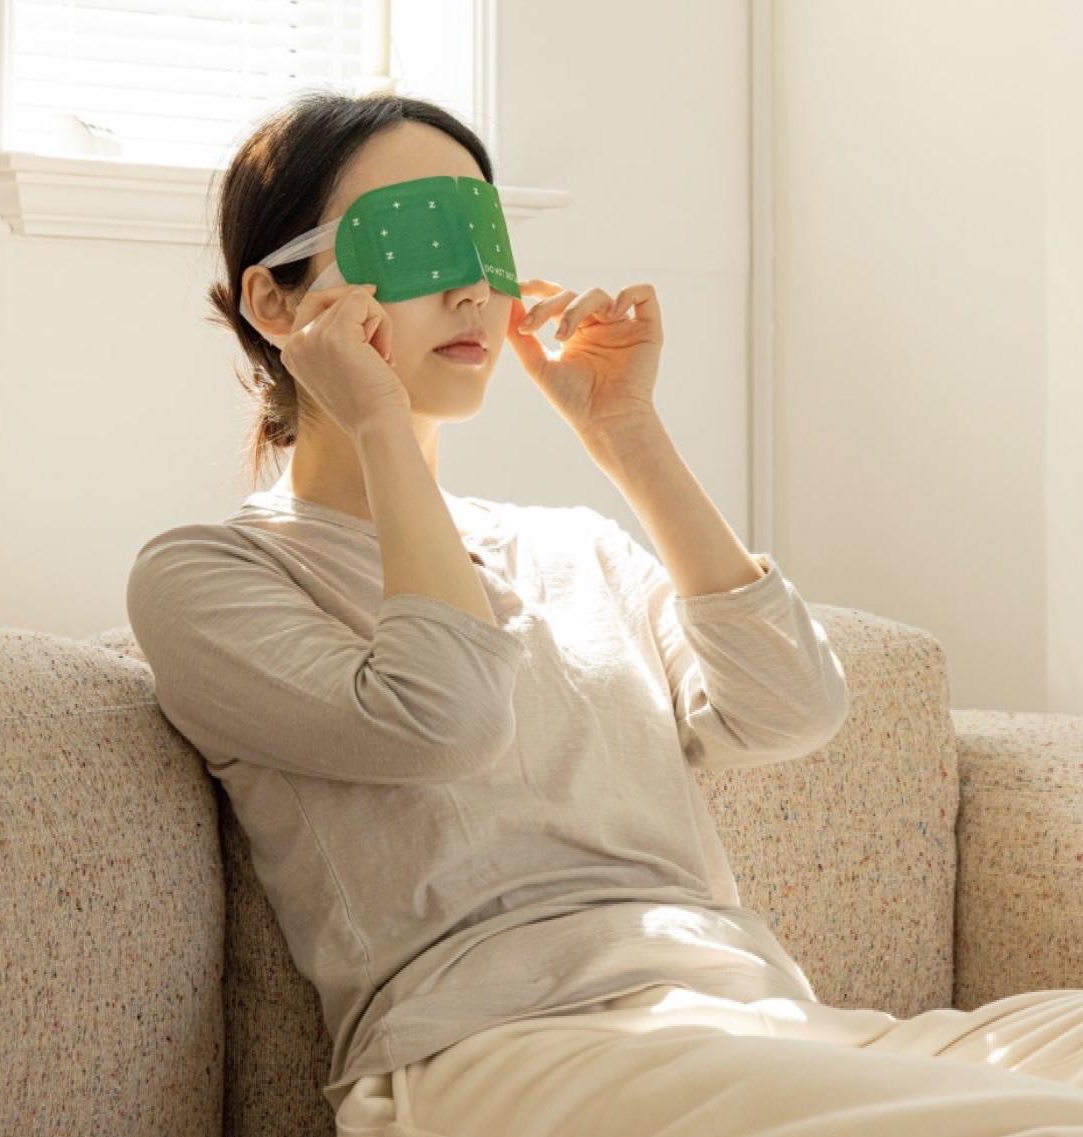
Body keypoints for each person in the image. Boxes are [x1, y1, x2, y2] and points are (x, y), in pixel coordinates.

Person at [126, 89, 1083, 1136]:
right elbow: (446, 718)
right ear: (276, 305)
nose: (470, 288)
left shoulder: (570, 546)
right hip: (505, 1053)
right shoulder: (210, 577)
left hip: (753, 1022)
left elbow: (790, 709)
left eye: (482, 238)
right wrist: (379, 423)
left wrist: (628, 432)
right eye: (413, 238)